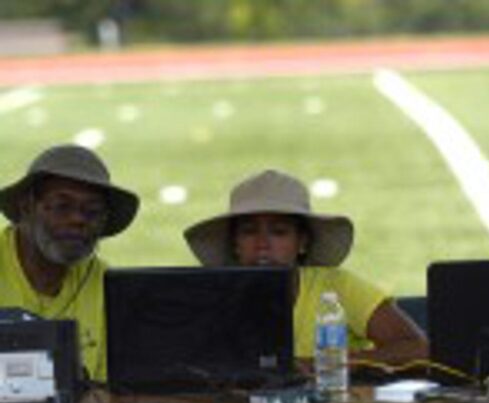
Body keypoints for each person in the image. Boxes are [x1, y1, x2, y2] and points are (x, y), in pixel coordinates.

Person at [183, 169, 428, 369]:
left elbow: (419, 347)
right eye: (249, 231)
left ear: (302, 242)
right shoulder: (215, 298)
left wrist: (327, 365)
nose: (263, 244)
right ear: (235, 243)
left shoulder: (338, 286)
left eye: (279, 232)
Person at [0, 144, 139, 381]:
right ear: (26, 207)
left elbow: (112, 393)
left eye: (92, 211)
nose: (77, 220)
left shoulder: (108, 286)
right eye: (61, 206)